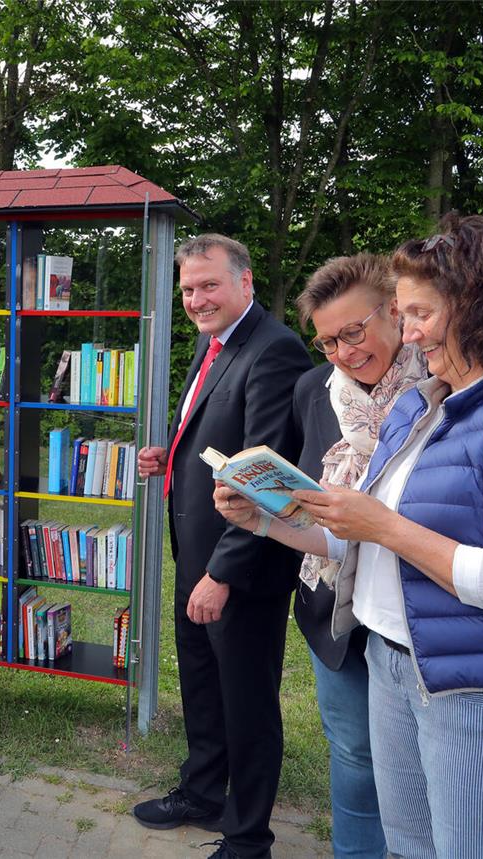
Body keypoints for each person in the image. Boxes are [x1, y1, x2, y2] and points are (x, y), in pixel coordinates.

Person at [216, 214, 483, 857]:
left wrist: (382, 523)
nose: (408, 334)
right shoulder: (428, 404)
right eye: (403, 315)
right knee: (409, 848)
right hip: (393, 662)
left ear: (479, 306)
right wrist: (264, 520)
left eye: (419, 315)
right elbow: (362, 547)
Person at [131, 234, 311, 859]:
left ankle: (247, 838)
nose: (198, 298)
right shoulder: (214, 345)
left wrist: (223, 573)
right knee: (202, 684)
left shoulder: (274, 351)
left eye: (209, 285)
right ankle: (203, 793)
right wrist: (171, 457)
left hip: (242, 566)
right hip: (198, 551)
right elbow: (219, 444)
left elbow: (268, 475)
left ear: (246, 283)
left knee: (247, 700)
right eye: (188, 289)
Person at [290, 254, 427, 858]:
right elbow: (311, 495)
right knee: (352, 757)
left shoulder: (446, 384)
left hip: (420, 614)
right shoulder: (313, 392)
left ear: (395, 311)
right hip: (336, 613)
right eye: (327, 342)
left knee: (423, 775)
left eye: (353, 331)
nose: (343, 352)